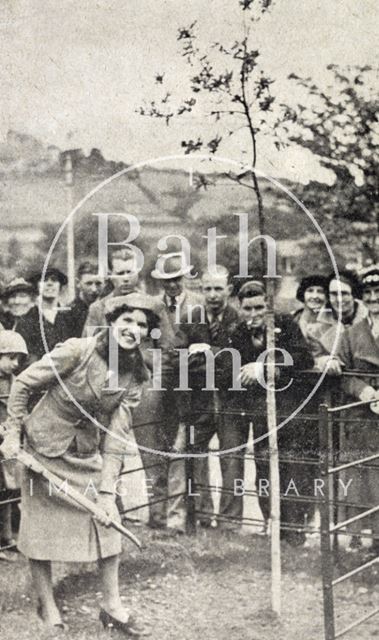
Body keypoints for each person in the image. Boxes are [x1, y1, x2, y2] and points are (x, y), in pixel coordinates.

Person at [0, 293, 157, 633]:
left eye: (142, 325)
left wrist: (105, 492)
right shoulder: (78, 349)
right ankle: (48, 604)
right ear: (112, 322)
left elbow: (116, 438)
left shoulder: (136, 376)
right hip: (41, 447)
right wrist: (13, 433)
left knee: (106, 518)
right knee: (39, 528)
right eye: (127, 320)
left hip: (85, 454)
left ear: (148, 333)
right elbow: (24, 383)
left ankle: (112, 606)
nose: (133, 329)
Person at [223, 281, 314, 543]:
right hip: (259, 413)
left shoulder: (285, 326)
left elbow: (303, 358)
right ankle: (270, 523)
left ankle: (295, 531)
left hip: (289, 411)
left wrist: (266, 367)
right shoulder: (237, 332)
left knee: (293, 468)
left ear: (268, 305)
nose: (253, 314)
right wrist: (243, 372)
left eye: (259, 307)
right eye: (247, 308)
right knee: (264, 467)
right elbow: (229, 365)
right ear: (239, 308)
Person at [135, 252, 204, 533]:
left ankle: (189, 516)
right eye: (166, 281)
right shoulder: (151, 308)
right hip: (159, 384)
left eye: (175, 279)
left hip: (191, 386)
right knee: (154, 449)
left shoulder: (198, 305)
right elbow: (142, 344)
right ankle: (157, 515)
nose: (172, 285)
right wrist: (158, 362)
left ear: (184, 278)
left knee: (184, 450)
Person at [178, 265, 239, 528]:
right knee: (197, 456)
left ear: (229, 289)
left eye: (218, 288)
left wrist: (208, 351)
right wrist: (216, 356)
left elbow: (236, 361)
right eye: (207, 289)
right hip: (199, 400)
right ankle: (202, 514)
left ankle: (230, 520)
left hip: (231, 400)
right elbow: (181, 360)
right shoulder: (191, 318)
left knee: (232, 458)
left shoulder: (239, 319)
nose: (213, 295)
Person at [337, 265, 379, 555]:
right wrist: (363, 391)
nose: (375, 298)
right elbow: (341, 371)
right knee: (366, 478)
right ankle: (366, 536)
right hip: (365, 416)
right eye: (369, 293)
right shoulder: (353, 333)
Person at [0, 331, 28, 556]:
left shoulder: (15, 383)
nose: (15, 363)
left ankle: (7, 538)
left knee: (8, 491)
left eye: (18, 359)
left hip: (6, 445)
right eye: (11, 358)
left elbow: (18, 409)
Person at [312, 270, 367, 374]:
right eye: (333, 294)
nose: (339, 299)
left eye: (344, 293)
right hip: (336, 382)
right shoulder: (316, 328)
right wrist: (326, 360)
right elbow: (314, 357)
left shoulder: (372, 318)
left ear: (354, 294)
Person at [16, 268, 71, 361]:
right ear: (37, 286)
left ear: (60, 286)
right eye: (44, 280)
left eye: (54, 280)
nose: (49, 283)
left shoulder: (69, 317)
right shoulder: (27, 320)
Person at [83, 248, 141, 335]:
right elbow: (87, 344)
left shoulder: (153, 304)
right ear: (110, 276)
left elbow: (165, 345)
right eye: (120, 273)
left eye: (130, 273)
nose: (125, 278)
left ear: (137, 274)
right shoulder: (98, 308)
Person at [64, 261, 103, 337]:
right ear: (78, 283)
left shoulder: (108, 309)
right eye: (89, 283)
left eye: (98, 283)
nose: (94, 289)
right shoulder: (67, 314)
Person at [293, 275, 328, 350]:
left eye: (320, 292)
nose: (315, 296)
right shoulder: (293, 319)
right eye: (310, 291)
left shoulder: (332, 323)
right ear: (303, 293)